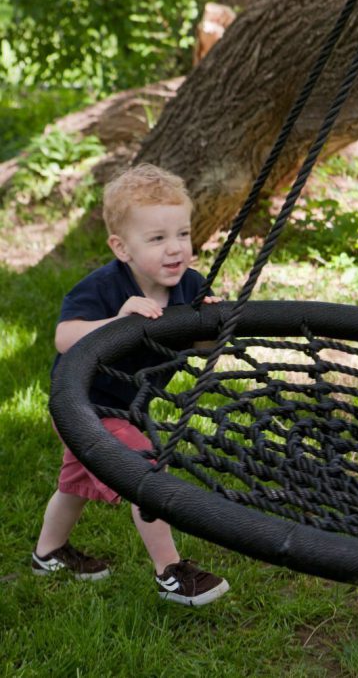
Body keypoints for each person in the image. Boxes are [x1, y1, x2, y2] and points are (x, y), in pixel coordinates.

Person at [32, 163, 230, 605]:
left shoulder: (190, 285)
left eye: (182, 234)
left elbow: (200, 347)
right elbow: (64, 336)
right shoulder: (103, 287)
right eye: (157, 239)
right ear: (121, 247)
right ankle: (170, 572)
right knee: (145, 471)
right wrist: (118, 322)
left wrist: (209, 324)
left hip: (129, 406)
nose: (174, 248)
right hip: (81, 406)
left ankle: (48, 553)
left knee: (73, 484)